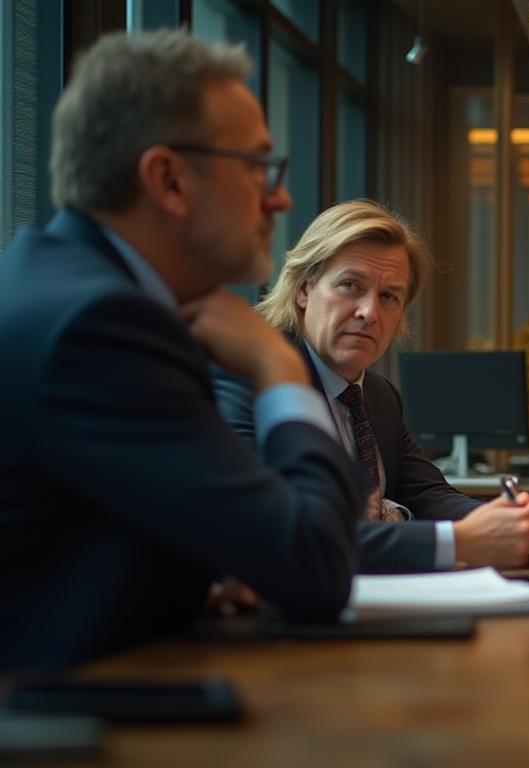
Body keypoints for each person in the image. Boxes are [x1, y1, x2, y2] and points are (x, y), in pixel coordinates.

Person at [0, 30, 363, 669]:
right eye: (256, 166)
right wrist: (280, 369)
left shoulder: (52, 280)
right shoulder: (101, 326)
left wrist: (192, 582)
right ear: (168, 180)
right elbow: (317, 567)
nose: (279, 197)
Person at [215, 200, 529, 572]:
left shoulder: (378, 395)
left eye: (389, 296)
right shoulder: (248, 380)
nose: (369, 313)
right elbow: (283, 530)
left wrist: (508, 521)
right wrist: (461, 540)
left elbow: (426, 492)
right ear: (303, 290)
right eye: (350, 286)